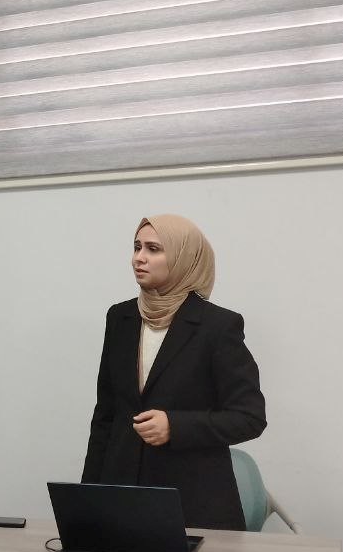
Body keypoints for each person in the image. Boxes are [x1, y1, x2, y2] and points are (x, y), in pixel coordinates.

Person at [82, 214, 266, 530]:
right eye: (137, 247)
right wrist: (88, 498)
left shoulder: (218, 326)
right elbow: (106, 416)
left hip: (192, 502)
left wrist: (175, 426)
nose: (139, 258)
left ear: (184, 258)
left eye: (153, 249)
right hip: (121, 496)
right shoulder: (120, 318)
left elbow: (249, 417)